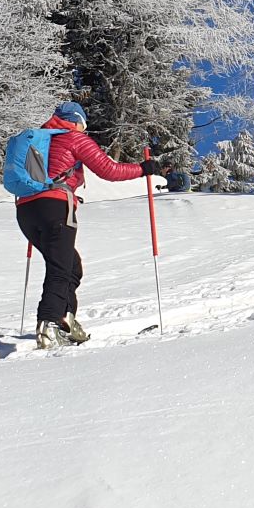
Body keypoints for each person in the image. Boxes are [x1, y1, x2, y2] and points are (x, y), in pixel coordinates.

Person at [16, 101, 164, 349]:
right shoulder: (73, 138)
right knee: (61, 267)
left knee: (71, 266)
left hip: (26, 211)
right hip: (55, 206)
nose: (83, 129)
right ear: (75, 122)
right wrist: (142, 169)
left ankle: (65, 320)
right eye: (83, 125)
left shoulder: (36, 139)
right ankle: (49, 323)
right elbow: (109, 170)